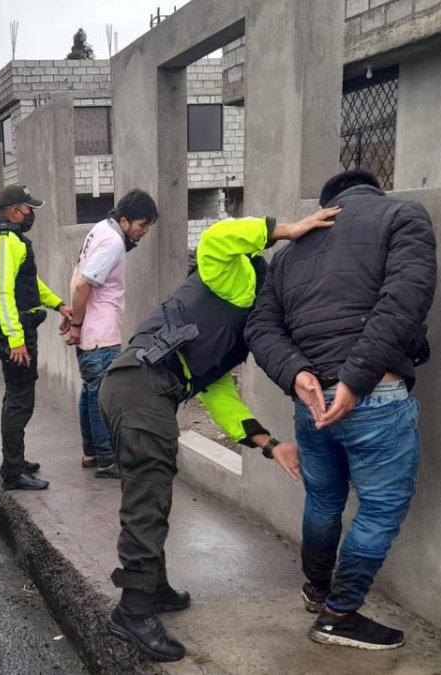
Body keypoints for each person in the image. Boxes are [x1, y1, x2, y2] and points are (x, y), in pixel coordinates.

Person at [99, 207, 339, 662]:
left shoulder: (232, 329)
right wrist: (284, 229)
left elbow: (220, 396)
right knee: (146, 502)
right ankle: (132, 611)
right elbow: (215, 240)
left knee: (152, 493)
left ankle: (154, 587)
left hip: (137, 387)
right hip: (142, 388)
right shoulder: (237, 281)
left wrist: (270, 445)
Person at [245, 169, 437, 651]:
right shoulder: (402, 216)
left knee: (323, 500)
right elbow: (405, 300)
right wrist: (356, 378)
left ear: (329, 204)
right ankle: (338, 615)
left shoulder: (289, 255)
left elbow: (260, 328)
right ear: (372, 192)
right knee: (380, 507)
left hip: (311, 404)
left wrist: (295, 373)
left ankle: (317, 590)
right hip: (376, 398)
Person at [0, 184, 74, 491]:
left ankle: (16, 462)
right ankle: (12, 473)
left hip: (20, 329)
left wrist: (58, 305)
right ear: (15, 211)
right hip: (16, 333)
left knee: (17, 398)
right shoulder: (4, 240)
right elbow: (2, 292)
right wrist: (15, 339)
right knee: (20, 402)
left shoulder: (12, 239)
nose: (31, 214)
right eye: (28, 208)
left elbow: (30, 283)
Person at [63, 189, 158, 478]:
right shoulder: (113, 242)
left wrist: (75, 317)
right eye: (142, 225)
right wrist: (76, 324)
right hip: (99, 333)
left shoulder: (100, 229)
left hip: (91, 329)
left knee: (90, 392)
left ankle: (91, 453)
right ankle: (107, 459)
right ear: (125, 221)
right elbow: (84, 285)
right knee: (103, 396)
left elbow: (79, 279)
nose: (144, 232)